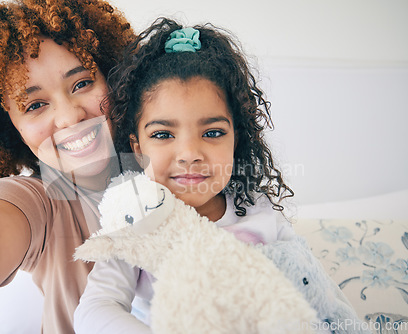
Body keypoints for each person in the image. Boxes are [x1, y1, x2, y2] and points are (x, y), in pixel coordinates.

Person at [0, 0, 135, 332]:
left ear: (113, 79)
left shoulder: (180, 164)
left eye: (82, 84)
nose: (70, 116)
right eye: (35, 105)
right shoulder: (38, 202)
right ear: (9, 128)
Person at [74, 18, 296, 333]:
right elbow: (95, 310)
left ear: (237, 140)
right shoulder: (134, 224)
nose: (189, 152)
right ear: (138, 149)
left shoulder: (260, 211)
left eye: (214, 132)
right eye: (164, 135)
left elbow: (309, 284)